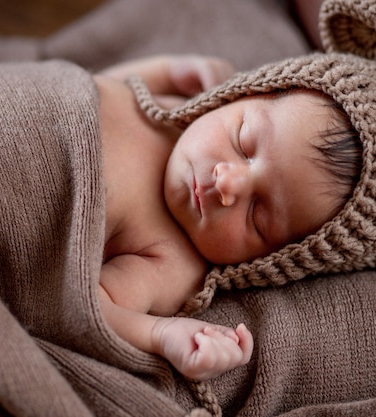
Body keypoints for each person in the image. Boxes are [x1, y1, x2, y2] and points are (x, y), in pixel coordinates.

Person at [94, 54, 361, 381]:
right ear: (237, 96)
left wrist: (161, 334)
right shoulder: (170, 108)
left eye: (257, 215)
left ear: (265, 262)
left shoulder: (172, 262)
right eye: (243, 142)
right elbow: (101, 87)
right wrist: (168, 70)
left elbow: (90, 305)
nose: (226, 183)